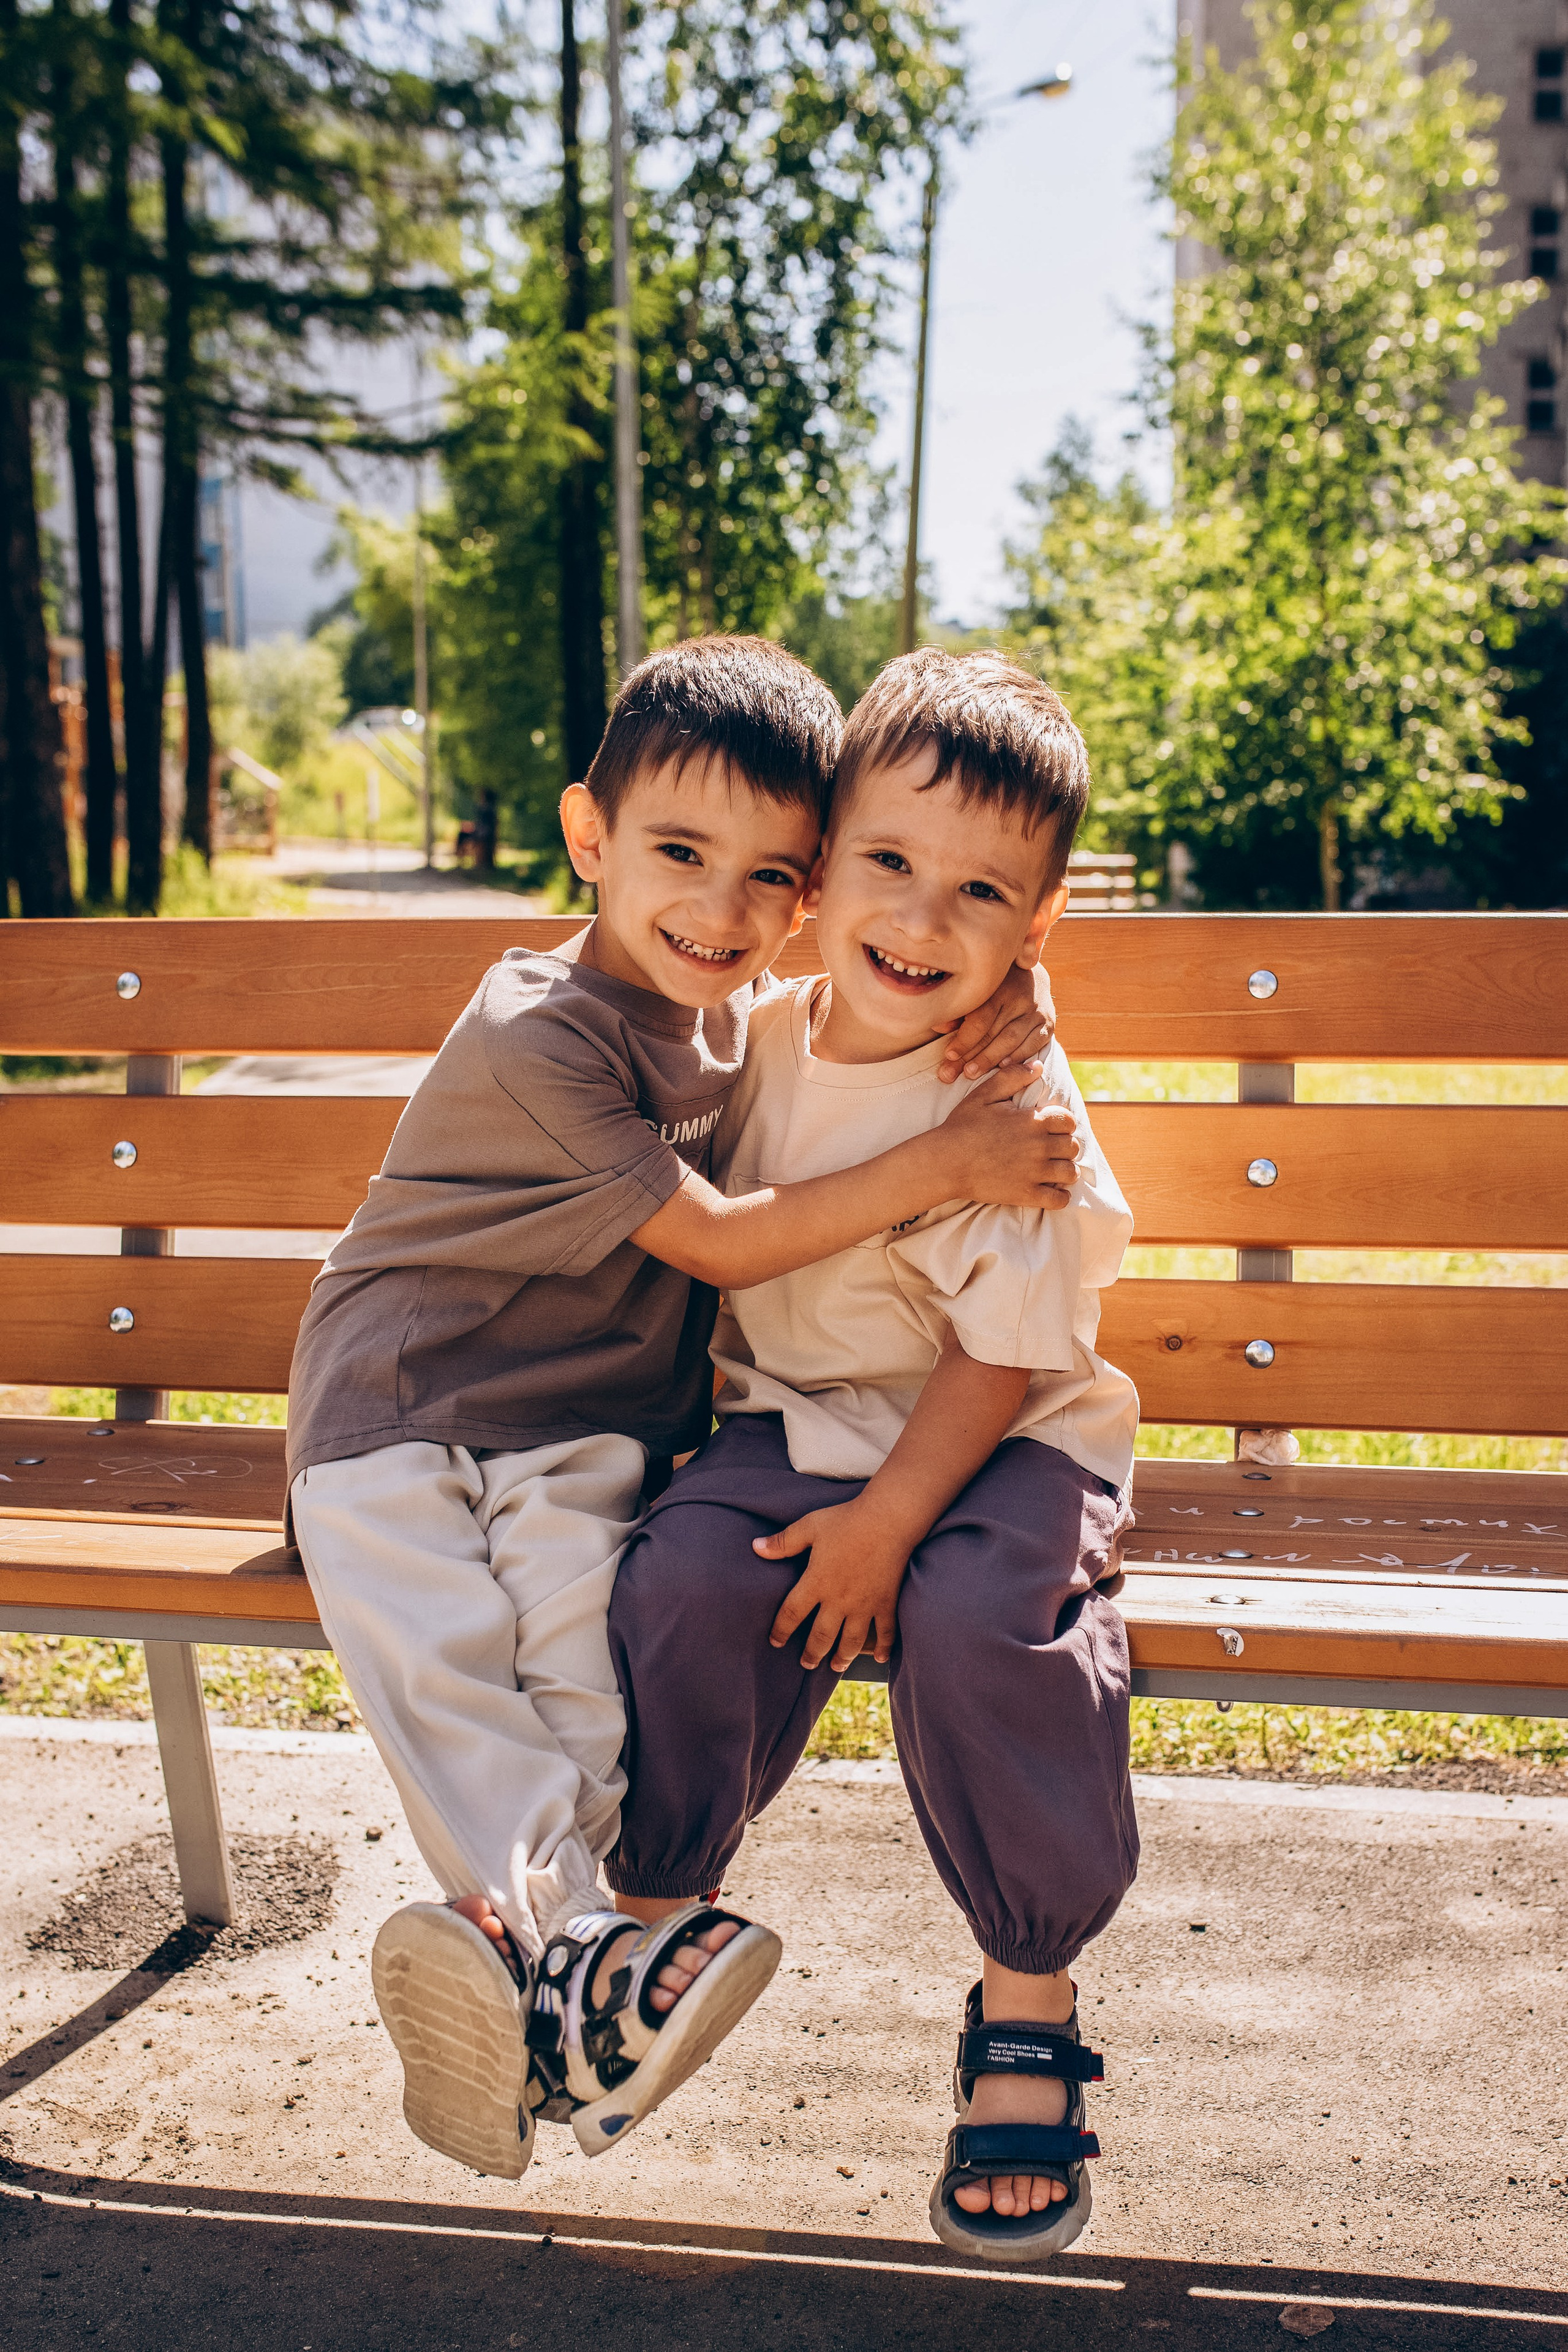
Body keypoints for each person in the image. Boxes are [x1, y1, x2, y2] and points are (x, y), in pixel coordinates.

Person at [285, 636, 1080, 2185]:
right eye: (676, 856)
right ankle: (582, 1957)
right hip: (395, 1405)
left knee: (585, 1681)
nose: (722, 913)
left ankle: (544, 1995)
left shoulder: (741, 1022)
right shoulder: (539, 1032)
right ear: (589, 838)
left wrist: (1018, 998)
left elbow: (906, 966)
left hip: (585, 1423)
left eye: (771, 877)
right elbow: (718, 1240)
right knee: (444, 1660)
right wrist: (944, 1164)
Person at [605, 647, 1139, 2264]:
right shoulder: (747, 1038)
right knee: (690, 1575)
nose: (921, 921)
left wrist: (890, 1528)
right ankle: (650, 1915)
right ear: (824, 864)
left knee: (990, 1631)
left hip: (1010, 1438)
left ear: (1035, 929)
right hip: (798, 1429)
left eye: (982, 894)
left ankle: (1026, 1993)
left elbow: (1001, 1354)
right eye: (889, 865)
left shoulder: (1010, 1091)